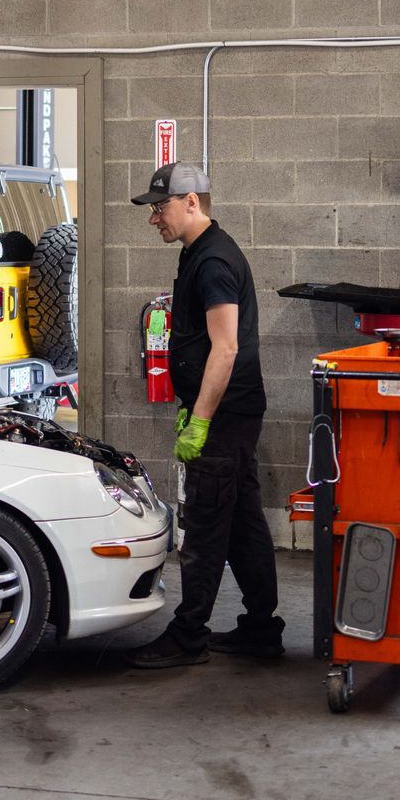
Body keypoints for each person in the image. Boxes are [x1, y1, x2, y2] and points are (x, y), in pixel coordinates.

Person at [126, 161, 285, 668]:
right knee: (241, 523)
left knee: (205, 524)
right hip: (230, 414)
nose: (154, 217)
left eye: (160, 206)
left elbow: (225, 347)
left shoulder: (214, 261)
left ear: (192, 202)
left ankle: (188, 634)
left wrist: (200, 418)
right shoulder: (199, 253)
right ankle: (262, 629)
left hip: (223, 418)